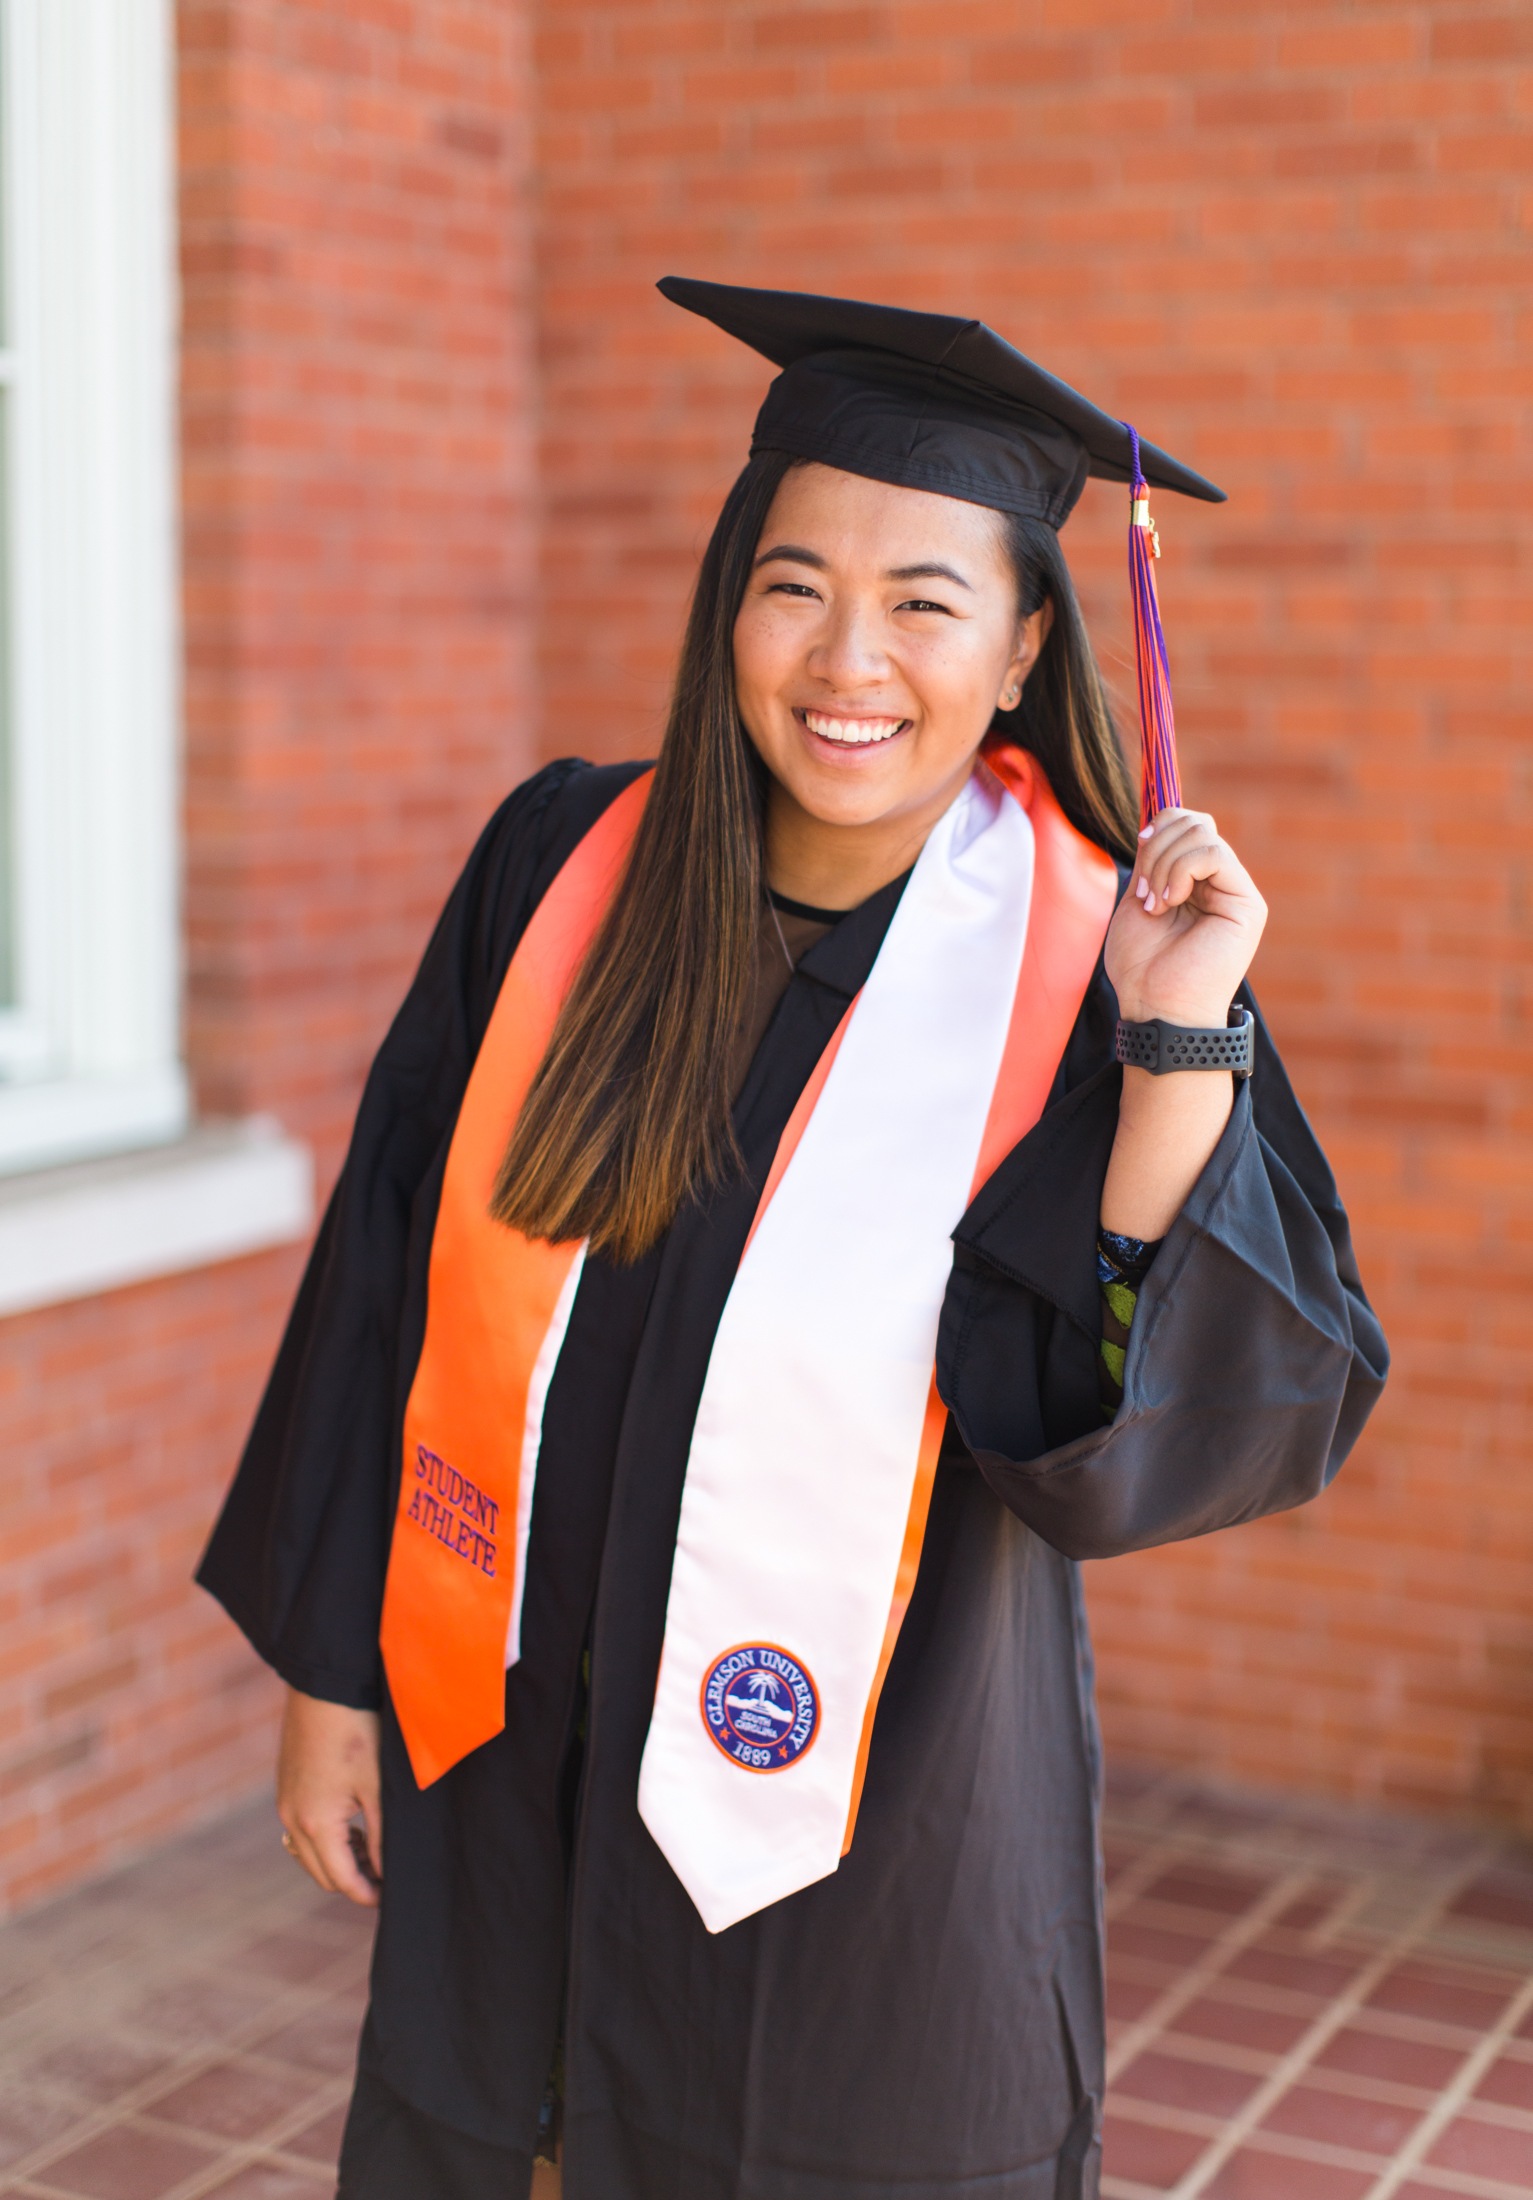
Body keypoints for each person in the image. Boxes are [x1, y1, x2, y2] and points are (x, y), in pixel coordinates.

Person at [199, 279, 1387, 2200]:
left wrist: (1176, 1054)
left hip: (866, 1843)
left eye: (926, 599)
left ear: (1019, 652)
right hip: (503, 1769)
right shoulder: (557, 869)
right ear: (725, 609)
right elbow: (385, 1283)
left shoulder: (1084, 968)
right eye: (793, 583)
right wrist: (332, 1678)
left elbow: (1125, 1444)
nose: (850, 655)